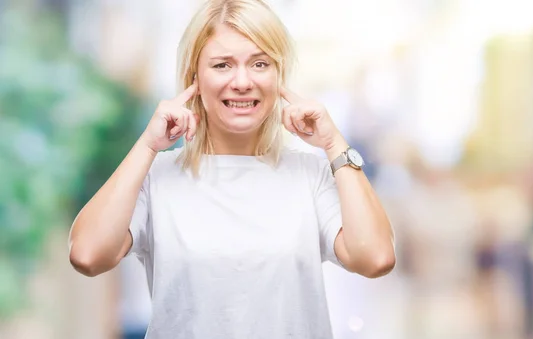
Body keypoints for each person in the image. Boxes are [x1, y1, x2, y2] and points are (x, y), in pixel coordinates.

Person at [68, 0, 395, 338]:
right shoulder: (157, 176)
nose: (242, 81)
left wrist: (334, 144)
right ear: (194, 77)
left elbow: (376, 258)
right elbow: (88, 255)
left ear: (278, 75)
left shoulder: (311, 173)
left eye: (260, 63)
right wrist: (147, 146)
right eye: (222, 65)